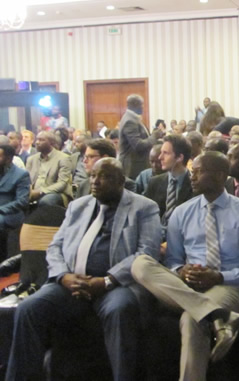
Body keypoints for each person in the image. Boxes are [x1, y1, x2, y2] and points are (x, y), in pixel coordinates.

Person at [6, 158, 161, 381]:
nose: (95, 182)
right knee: (28, 309)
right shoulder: (78, 206)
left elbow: (147, 253)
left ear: (121, 181)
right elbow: (55, 247)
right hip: (71, 282)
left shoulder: (144, 207)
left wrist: (106, 281)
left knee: (120, 310)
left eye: (104, 177)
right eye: (93, 176)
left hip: (116, 285)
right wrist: (63, 276)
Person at [131, 152, 239, 381]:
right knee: (140, 264)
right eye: (191, 171)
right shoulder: (182, 212)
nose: (191, 177)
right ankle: (219, 316)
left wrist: (219, 276)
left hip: (227, 285)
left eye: (198, 171)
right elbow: (173, 260)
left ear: (220, 175)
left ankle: (209, 316)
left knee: (192, 318)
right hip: (187, 283)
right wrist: (180, 270)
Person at [144, 135, 193, 238]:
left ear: (179, 157)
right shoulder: (155, 182)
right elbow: (145, 214)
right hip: (156, 237)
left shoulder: (194, 184)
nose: (160, 157)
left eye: (165, 153)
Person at [118, 94, 162, 179]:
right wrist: (154, 136)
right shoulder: (130, 121)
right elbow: (138, 145)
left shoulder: (133, 118)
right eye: (142, 105)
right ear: (135, 104)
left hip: (136, 163)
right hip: (132, 166)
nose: (143, 107)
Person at [26, 131, 73, 207]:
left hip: (57, 193)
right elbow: (26, 181)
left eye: (41, 140)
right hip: (33, 192)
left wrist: (40, 192)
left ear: (52, 143)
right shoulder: (31, 159)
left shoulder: (63, 158)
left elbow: (62, 184)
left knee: (46, 200)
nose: (37, 142)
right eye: (37, 139)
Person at [0, 144, 31, 256]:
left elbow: (22, 201)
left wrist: (1, 209)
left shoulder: (21, 175)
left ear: (8, 158)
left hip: (11, 213)